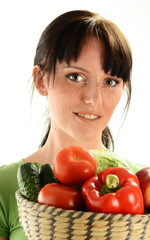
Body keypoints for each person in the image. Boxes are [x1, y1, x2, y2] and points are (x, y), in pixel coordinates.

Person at [0, 9, 133, 240]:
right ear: (41, 81)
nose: (93, 99)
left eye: (110, 81)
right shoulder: (4, 186)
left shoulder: (143, 184)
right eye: (75, 76)